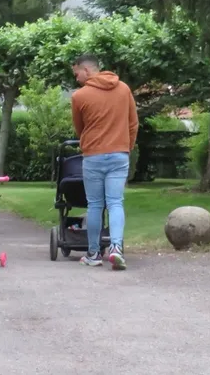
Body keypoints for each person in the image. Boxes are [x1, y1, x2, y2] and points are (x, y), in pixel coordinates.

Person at [70, 54, 138, 270]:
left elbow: (80, 128)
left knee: (95, 205)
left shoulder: (80, 96)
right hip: (119, 153)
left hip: (93, 155)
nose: (77, 78)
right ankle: (116, 248)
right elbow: (133, 123)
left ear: (86, 70)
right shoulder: (124, 89)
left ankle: (93, 253)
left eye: (77, 74)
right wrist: (127, 146)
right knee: (116, 202)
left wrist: (89, 141)